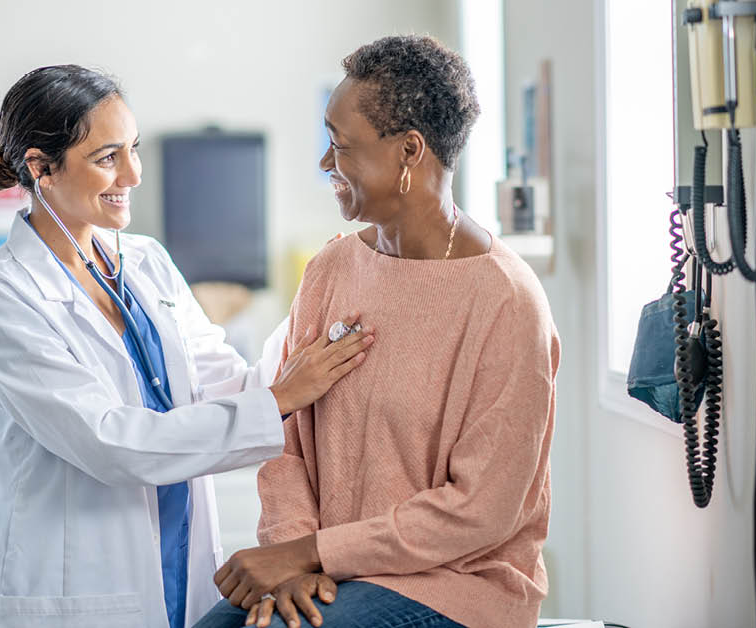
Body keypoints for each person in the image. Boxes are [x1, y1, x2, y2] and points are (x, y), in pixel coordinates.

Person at [0, 65, 374, 628]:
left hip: (180, 571)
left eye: (132, 149)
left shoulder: (146, 261)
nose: (132, 174)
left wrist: (318, 294)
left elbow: (235, 386)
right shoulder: (0, 293)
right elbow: (111, 443)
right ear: (41, 168)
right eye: (107, 158)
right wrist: (279, 399)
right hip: (73, 595)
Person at [195, 35, 560, 628]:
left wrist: (314, 553)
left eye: (340, 146)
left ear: (410, 150)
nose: (325, 163)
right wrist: (293, 556)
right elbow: (287, 438)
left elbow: (482, 510)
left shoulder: (507, 301)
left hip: (455, 584)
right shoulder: (331, 269)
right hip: (333, 571)